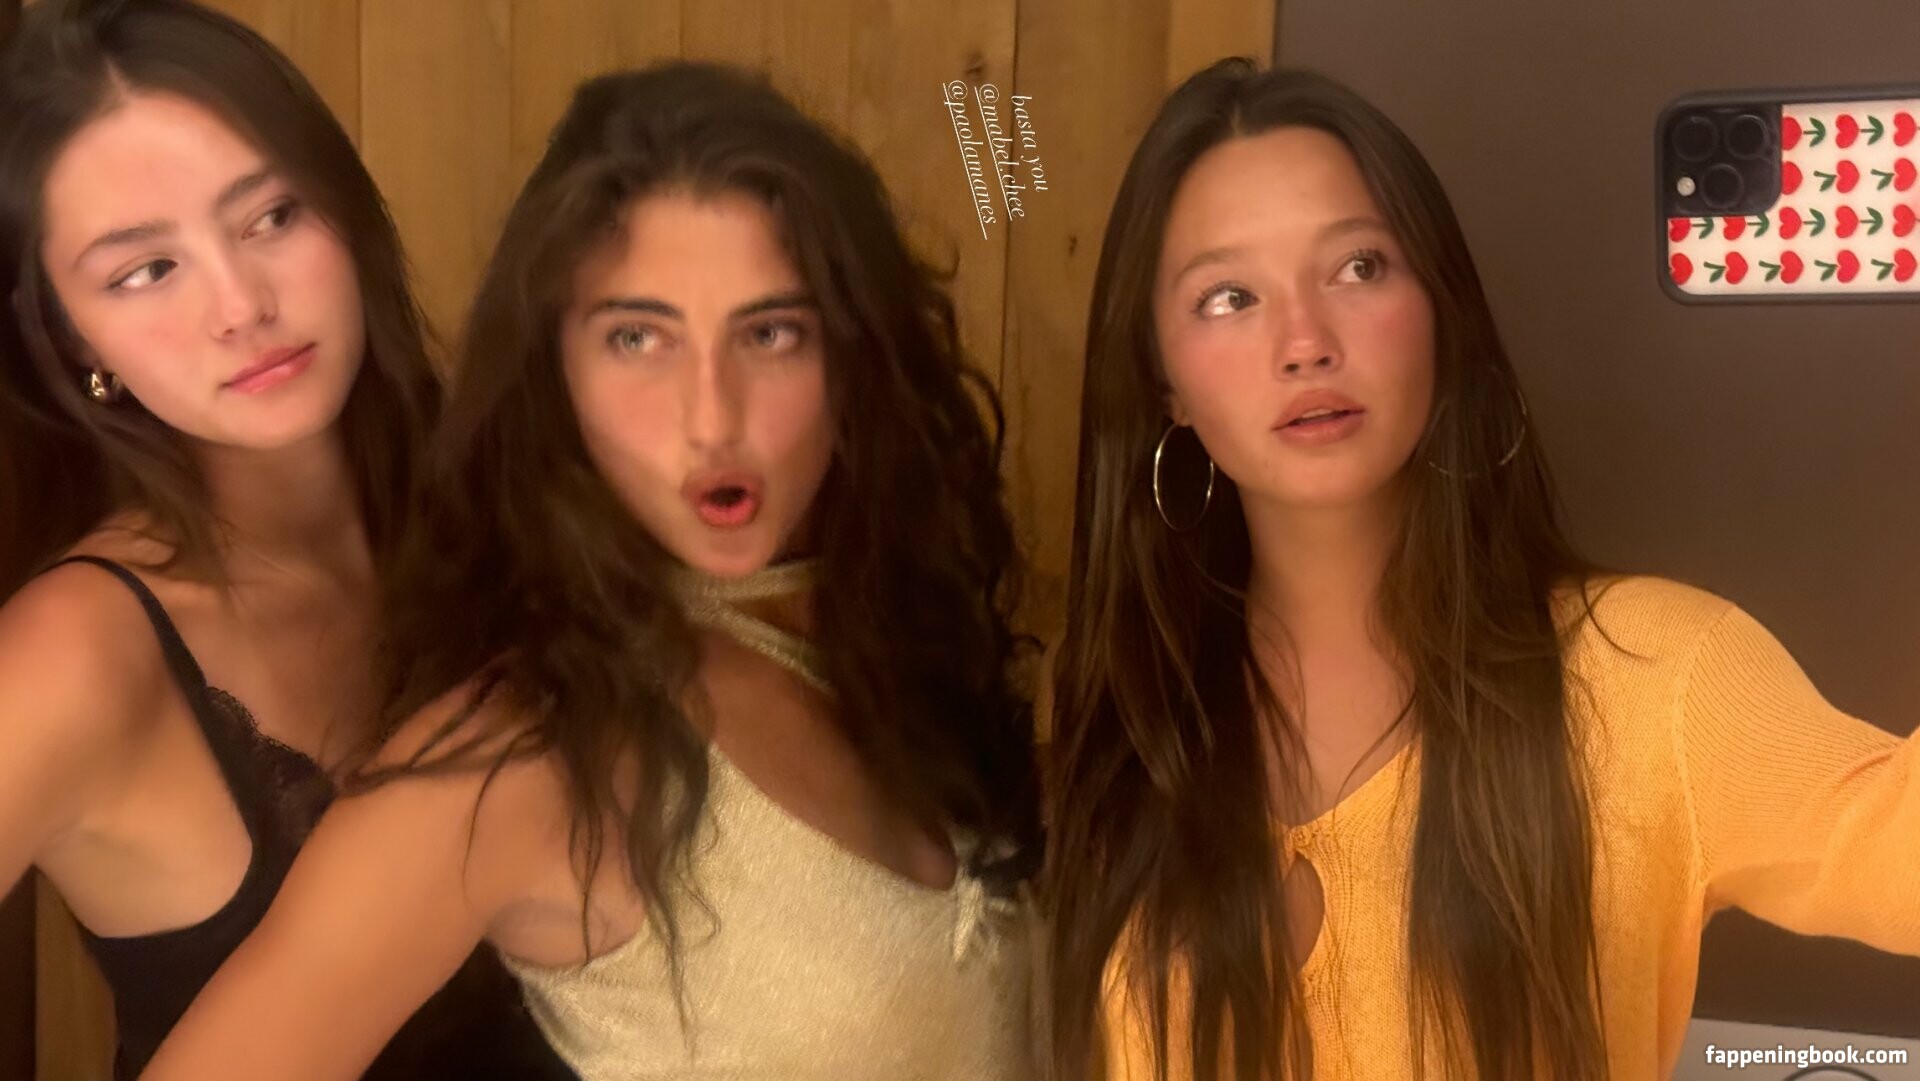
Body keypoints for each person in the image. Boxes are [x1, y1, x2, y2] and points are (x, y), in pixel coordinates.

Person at [142, 60, 1044, 1081]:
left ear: (853, 356)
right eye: (637, 337)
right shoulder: (517, 760)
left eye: (771, 332)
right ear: (552, 373)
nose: (712, 417)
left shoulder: (891, 646)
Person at [1042, 58, 1920, 1081]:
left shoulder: (1657, 681)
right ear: (1165, 383)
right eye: (1229, 296)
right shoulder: (1116, 712)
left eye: (1359, 266)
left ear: (1441, 310)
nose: (1305, 342)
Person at [0, 1, 568, 1076]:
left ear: (344, 210)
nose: (241, 304)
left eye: (270, 216)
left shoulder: (505, 499)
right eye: (145, 271)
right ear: (76, 342)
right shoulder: (75, 651)